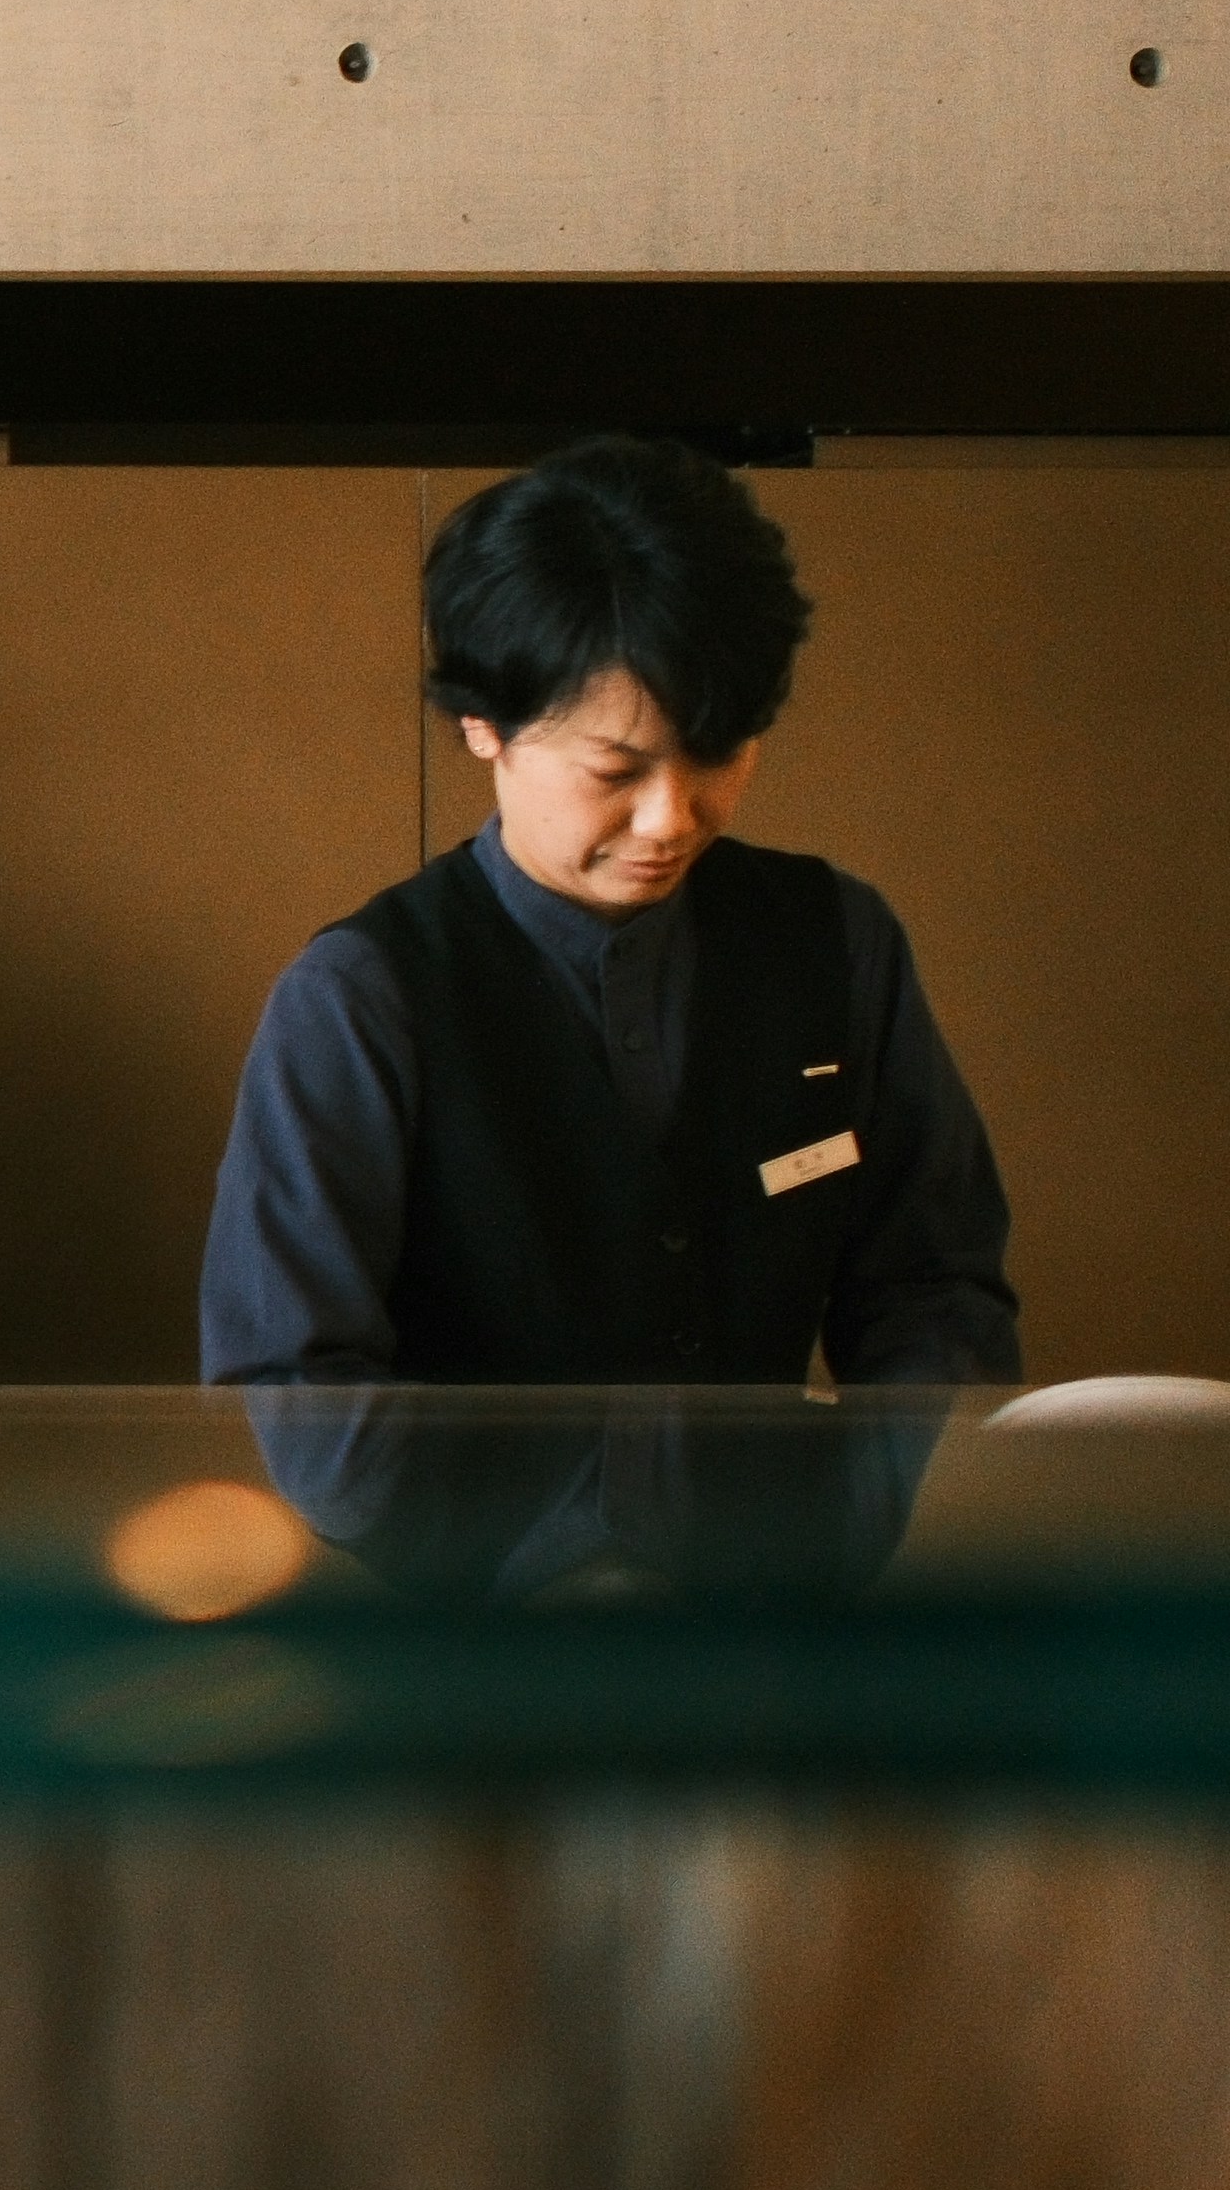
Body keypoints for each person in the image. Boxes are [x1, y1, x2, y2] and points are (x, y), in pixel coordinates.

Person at [199, 438, 1017, 1588]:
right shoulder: (362, 997)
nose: (670, 819)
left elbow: (936, 1284)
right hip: (486, 1652)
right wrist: (542, 1558)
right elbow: (296, 1376)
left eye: (716, 754)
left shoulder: (838, 941)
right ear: (486, 724)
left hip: (786, 1622)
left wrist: (860, 1520)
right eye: (615, 769)